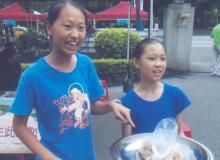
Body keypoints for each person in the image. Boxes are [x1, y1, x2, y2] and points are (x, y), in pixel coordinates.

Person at [10, 1, 134, 160]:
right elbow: (19, 126)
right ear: (49, 28)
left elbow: (92, 106)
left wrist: (111, 105)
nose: (75, 35)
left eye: (81, 28)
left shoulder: (85, 64)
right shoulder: (32, 75)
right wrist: (48, 157)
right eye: (68, 26)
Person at [120, 38, 191, 137]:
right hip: (142, 152)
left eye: (163, 59)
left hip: (170, 152)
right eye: (152, 58)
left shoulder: (175, 94)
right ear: (136, 62)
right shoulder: (127, 101)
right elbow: (128, 141)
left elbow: (179, 132)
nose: (158, 64)